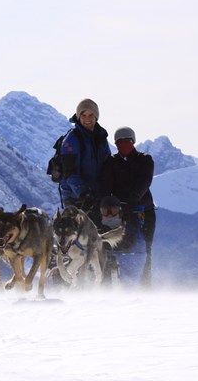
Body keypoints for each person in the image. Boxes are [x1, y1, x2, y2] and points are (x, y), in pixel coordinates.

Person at [100, 126, 156, 286]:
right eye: (119, 142)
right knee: (115, 245)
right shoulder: (111, 162)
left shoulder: (145, 160)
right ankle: (113, 282)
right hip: (119, 213)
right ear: (116, 144)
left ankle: (145, 284)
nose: (123, 144)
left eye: (127, 141)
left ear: (133, 141)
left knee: (145, 247)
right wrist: (109, 203)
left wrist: (130, 200)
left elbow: (144, 183)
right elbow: (105, 185)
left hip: (144, 211)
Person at [59, 99, 111, 220]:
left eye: (91, 115)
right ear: (78, 117)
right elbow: (69, 172)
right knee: (76, 235)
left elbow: (107, 164)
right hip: (75, 197)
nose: (87, 118)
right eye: (83, 115)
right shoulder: (71, 139)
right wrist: (83, 193)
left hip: (94, 195)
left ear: (96, 117)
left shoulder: (101, 137)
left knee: (97, 235)